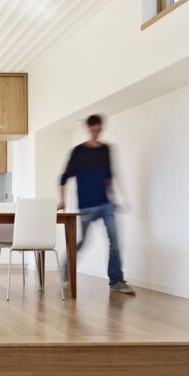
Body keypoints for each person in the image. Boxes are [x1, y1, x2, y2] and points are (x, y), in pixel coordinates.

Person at [57, 114, 135, 294]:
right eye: (93, 130)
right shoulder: (79, 152)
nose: (96, 133)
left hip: (106, 204)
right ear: (88, 129)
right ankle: (66, 266)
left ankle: (116, 280)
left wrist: (115, 199)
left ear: (101, 129)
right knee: (83, 241)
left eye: (99, 130)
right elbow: (63, 178)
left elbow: (108, 177)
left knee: (115, 241)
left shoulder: (106, 149)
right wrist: (63, 200)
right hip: (86, 206)